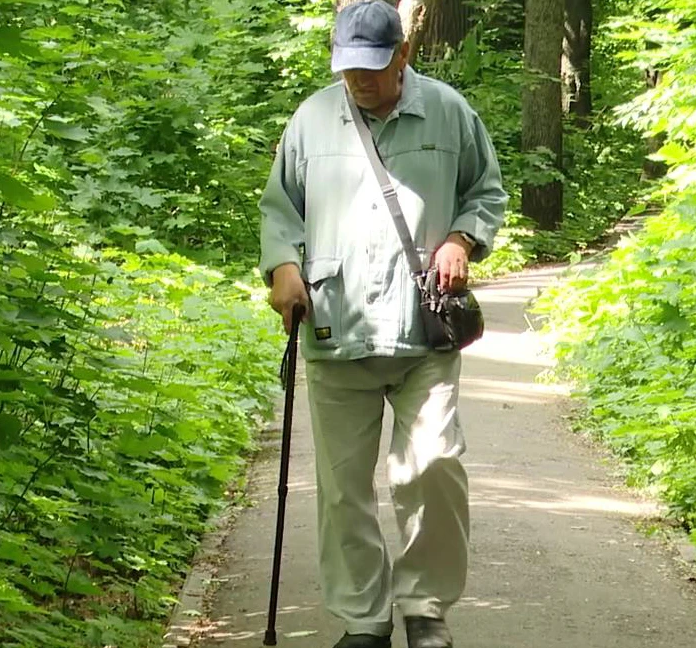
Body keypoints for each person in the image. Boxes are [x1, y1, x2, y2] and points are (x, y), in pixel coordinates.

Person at [257, 2, 508, 646]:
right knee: (343, 487)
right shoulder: (311, 120)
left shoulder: (449, 112)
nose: (360, 81)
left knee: (433, 466)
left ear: (402, 54)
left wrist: (461, 239)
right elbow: (280, 208)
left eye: (372, 68)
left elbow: (487, 191)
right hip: (335, 324)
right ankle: (363, 621)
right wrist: (283, 267)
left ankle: (424, 607)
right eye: (348, 69)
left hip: (423, 324)